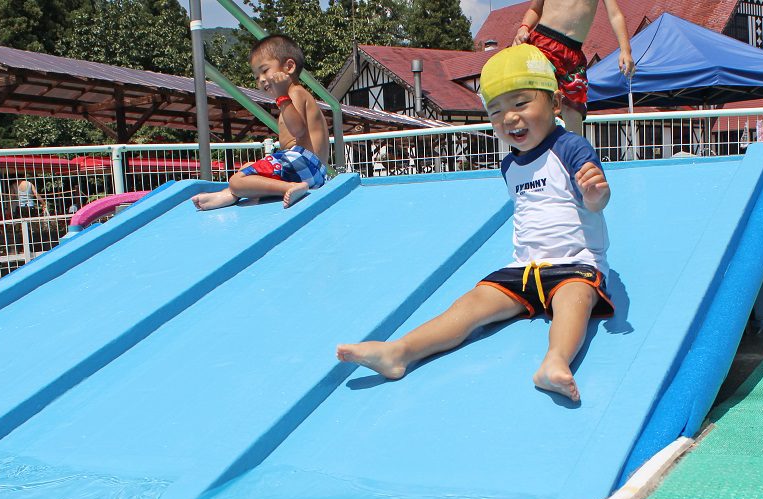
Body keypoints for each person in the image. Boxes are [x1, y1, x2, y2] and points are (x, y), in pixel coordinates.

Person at [336, 45, 615, 403]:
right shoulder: (509, 165)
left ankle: (554, 362)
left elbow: (596, 201)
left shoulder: (571, 147)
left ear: (556, 104)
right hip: (524, 270)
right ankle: (400, 352)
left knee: (574, 298)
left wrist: (595, 195)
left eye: (520, 104)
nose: (509, 118)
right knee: (469, 306)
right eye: (496, 111)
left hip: (576, 265)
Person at [192, 35, 330, 211]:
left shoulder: (296, 93)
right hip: (308, 169)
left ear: (289, 67)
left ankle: (286, 188)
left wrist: (282, 97)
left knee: (237, 180)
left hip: (304, 165)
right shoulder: (295, 96)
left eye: (265, 71)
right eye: (257, 76)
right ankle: (231, 194)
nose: (261, 79)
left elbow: (299, 130)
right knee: (247, 167)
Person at [512, 0, 635, 134]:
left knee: (574, 109)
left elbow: (615, 15)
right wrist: (524, 27)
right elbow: (535, 9)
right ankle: (530, 146)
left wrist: (625, 50)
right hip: (543, 44)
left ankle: (575, 151)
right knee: (537, 101)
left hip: (573, 55)